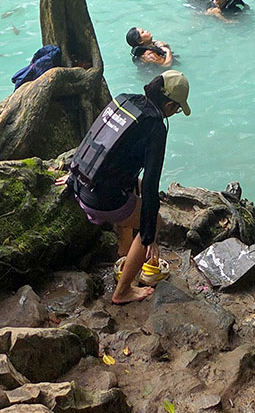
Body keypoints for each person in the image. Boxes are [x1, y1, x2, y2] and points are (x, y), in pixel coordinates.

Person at [60, 71, 191, 304]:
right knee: (153, 221)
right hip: (100, 200)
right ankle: (123, 291)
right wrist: (150, 234)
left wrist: (72, 174)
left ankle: (124, 250)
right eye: (177, 109)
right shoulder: (155, 127)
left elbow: (95, 138)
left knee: (134, 188)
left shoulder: (124, 100)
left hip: (79, 183)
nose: (175, 112)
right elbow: (151, 183)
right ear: (170, 105)